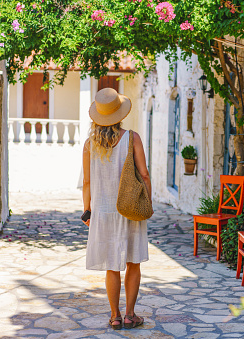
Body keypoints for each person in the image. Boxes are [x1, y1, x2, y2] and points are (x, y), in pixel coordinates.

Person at [82, 87, 151, 330]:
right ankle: (131, 314)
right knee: (133, 262)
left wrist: (87, 211)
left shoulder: (90, 144)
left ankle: (114, 316)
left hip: (102, 211)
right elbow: (143, 174)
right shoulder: (132, 138)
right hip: (130, 208)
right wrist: (147, 204)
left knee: (112, 265)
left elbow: (88, 182)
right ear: (120, 114)